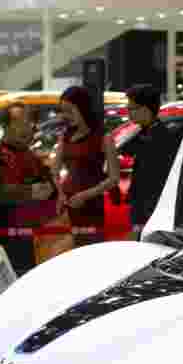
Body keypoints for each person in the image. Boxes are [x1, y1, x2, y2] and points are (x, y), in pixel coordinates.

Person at [0, 104, 57, 273]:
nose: (28, 129)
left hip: (33, 236)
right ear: (6, 127)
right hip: (6, 235)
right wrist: (31, 191)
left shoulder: (30, 155)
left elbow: (50, 187)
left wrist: (49, 188)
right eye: (21, 124)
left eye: (30, 124)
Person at [53, 86, 119, 247]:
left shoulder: (104, 138)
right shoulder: (65, 137)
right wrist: (60, 194)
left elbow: (114, 178)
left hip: (92, 206)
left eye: (70, 110)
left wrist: (86, 195)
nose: (66, 116)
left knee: (90, 252)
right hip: (67, 206)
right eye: (63, 111)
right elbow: (54, 172)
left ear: (83, 107)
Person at [123, 85, 181, 238]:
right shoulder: (142, 133)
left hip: (151, 208)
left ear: (145, 109)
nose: (128, 112)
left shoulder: (161, 138)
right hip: (142, 207)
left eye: (132, 108)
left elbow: (155, 178)